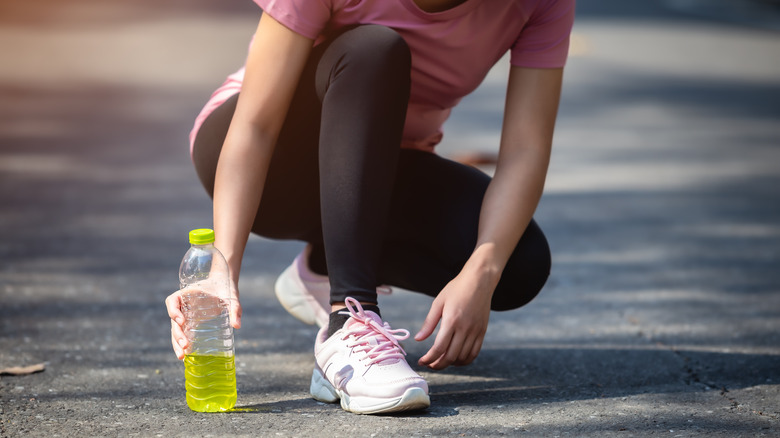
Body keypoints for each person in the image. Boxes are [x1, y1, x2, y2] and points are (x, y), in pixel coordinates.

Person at [166, 0, 575, 415]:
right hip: (269, 162)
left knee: (518, 264)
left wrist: (482, 271)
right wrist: (223, 266)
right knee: (374, 49)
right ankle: (348, 321)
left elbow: (526, 149)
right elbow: (255, 125)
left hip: (379, 170)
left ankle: (325, 264)